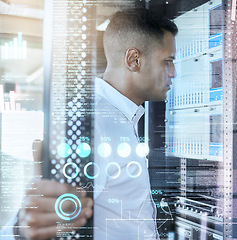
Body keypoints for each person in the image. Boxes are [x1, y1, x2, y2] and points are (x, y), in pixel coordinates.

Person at [1, 7, 177, 240]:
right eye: (167, 62)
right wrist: (21, 231)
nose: (173, 73)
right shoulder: (93, 123)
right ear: (134, 60)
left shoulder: (115, 116)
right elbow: (44, 219)